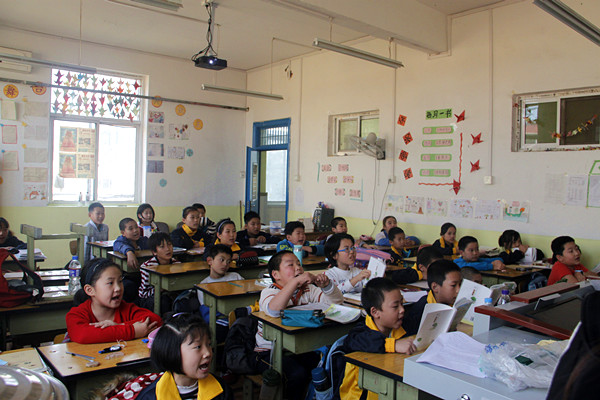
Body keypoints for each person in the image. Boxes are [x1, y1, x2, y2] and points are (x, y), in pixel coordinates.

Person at [254, 251, 343, 400]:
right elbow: (274, 310)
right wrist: (294, 282)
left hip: (299, 347)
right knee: (297, 374)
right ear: (276, 274)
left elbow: (336, 304)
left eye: (299, 264)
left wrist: (327, 286)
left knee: (325, 366)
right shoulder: (269, 292)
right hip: (269, 352)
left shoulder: (308, 290)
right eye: (290, 265)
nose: (298, 268)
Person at [340, 278, 416, 400]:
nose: (402, 310)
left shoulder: (402, 327)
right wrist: (393, 345)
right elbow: (354, 341)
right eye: (395, 306)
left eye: (402, 303)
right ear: (375, 312)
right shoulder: (360, 334)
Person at [137, 313, 233, 400]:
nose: (208, 353)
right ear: (172, 353)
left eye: (208, 344)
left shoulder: (221, 390)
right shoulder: (150, 397)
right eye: (198, 347)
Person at [66, 258, 161, 344]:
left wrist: (119, 325)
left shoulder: (127, 309)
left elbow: (155, 320)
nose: (118, 288)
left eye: (120, 281)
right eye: (110, 283)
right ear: (90, 290)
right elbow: (83, 334)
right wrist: (133, 331)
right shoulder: (76, 314)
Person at [197, 245, 243, 343]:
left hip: (239, 316)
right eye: (221, 260)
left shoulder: (235, 277)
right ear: (210, 261)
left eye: (228, 262)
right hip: (220, 320)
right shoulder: (203, 285)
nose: (225, 264)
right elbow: (207, 310)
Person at [403, 259, 462, 335]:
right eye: (453, 285)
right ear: (435, 287)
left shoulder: (452, 302)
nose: (458, 290)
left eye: (460, 284)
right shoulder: (421, 312)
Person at [138, 232, 179, 314]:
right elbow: (143, 294)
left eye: (169, 245)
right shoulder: (147, 267)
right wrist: (160, 288)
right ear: (154, 252)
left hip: (169, 295)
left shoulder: (177, 264)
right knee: (164, 302)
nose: (167, 249)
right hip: (148, 299)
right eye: (162, 247)